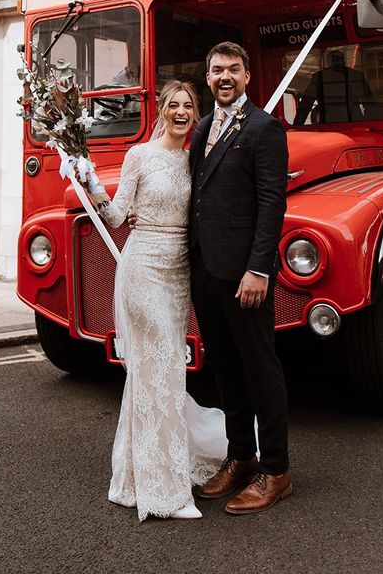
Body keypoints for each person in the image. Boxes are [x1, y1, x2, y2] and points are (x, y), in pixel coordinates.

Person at [90, 80, 225, 521]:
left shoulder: (194, 162)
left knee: (159, 373)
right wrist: (90, 181)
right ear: (162, 110)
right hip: (143, 267)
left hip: (177, 272)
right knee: (161, 367)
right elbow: (114, 216)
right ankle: (166, 491)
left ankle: (130, 478)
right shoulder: (139, 156)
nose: (181, 112)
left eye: (189, 106)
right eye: (174, 105)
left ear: (195, 113)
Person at [189, 42, 292, 515]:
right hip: (206, 273)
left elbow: (272, 203)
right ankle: (241, 457)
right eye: (216, 70)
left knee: (260, 368)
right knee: (226, 371)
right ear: (207, 77)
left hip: (245, 276)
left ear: (247, 76)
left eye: (233, 69)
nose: (224, 76)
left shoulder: (264, 129)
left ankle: (276, 469)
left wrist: (258, 269)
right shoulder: (203, 129)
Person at [294, 48, 374, 125]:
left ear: (328, 62)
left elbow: (306, 103)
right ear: (344, 60)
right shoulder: (357, 76)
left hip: (328, 121)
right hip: (355, 120)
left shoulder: (319, 77)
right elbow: (369, 102)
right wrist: (371, 121)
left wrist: (298, 124)